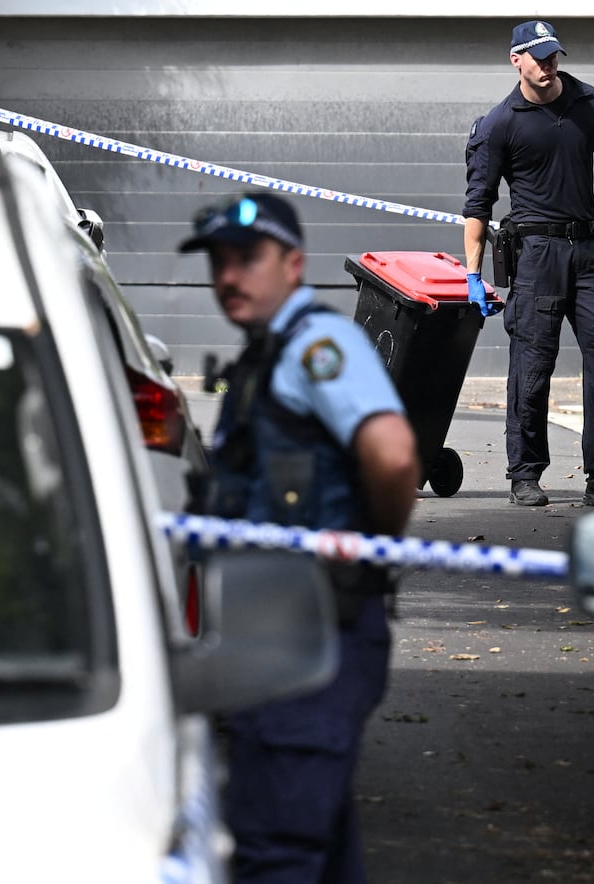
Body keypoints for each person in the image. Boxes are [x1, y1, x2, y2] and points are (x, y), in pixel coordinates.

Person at [178, 192, 419, 883]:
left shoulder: (319, 345)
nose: (229, 276)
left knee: (276, 851)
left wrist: (367, 553)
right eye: (219, 262)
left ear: (293, 264)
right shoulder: (268, 355)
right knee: (316, 848)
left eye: (247, 258)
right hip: (281, 642)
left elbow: (395, 455)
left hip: (315, 642)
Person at [463, 19, 594, 509]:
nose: (548, 65)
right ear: (516, 60)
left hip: (589, 252)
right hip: (536, 257)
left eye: (553, 56)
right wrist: (473, 274)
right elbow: (478, 205)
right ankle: (525, 473)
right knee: (532, 365)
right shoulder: (500, 123)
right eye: (538, 56)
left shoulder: (588, 103)